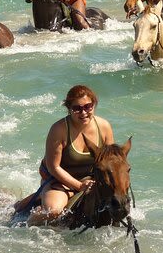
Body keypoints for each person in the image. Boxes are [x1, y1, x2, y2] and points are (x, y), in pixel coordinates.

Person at [25, 85, 115, 226]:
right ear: (69, 109)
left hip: (90, 180)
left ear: (94, 105)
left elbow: (112, 162)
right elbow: (53, 167)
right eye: (77, 108)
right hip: (59, 181)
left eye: (88, 107)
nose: (83, 112)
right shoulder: (58, 129)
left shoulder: (104, 126)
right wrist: (79, 186)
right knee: (53, 212)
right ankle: (26, 223)